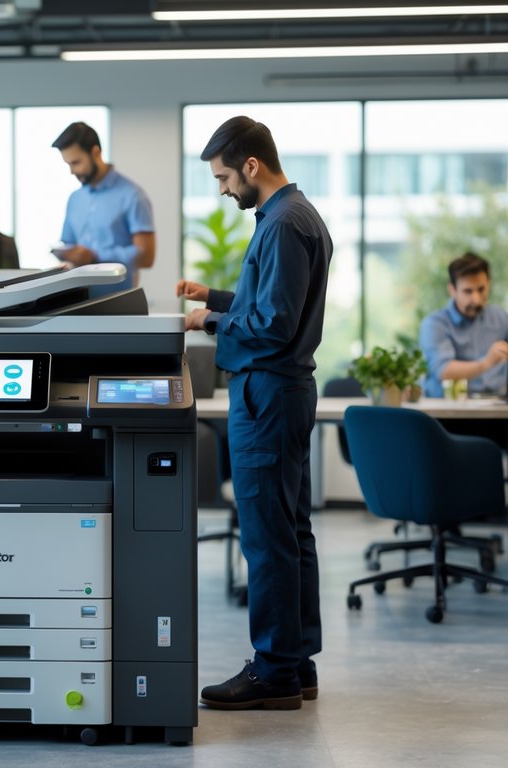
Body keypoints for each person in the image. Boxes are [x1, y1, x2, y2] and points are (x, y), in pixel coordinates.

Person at [179, 116, 333, 711]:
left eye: (223, 177)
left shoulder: (284, 225)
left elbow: (272, 323)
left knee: (268, 539)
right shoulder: (289, 218)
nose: (222, 190)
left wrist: (210, 323)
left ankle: (273, 671)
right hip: (280, 393)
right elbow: (267, 300)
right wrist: (213, 297)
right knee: (291, 530)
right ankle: (297, 663)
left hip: (266, 394)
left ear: (251, 166)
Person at [52, 121, 155, 293]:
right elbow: (69, 244)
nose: (72, 171)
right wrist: (66, 255)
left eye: (76, 162)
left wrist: (95, 257)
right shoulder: (75, 199)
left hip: (118, 303)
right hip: (76, 300)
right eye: (68, 164)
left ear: (95, 153)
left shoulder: (133, 195)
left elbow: (146, 256)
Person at [419, 253, 508, 398]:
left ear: (489, 284)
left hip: (497, 406)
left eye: (481, 289)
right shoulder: (435, 324)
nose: (475, 299)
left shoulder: (501, 317)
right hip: (453, 410)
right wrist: (487, 362)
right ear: (452, 290)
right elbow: (443, 371)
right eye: (468, 291)